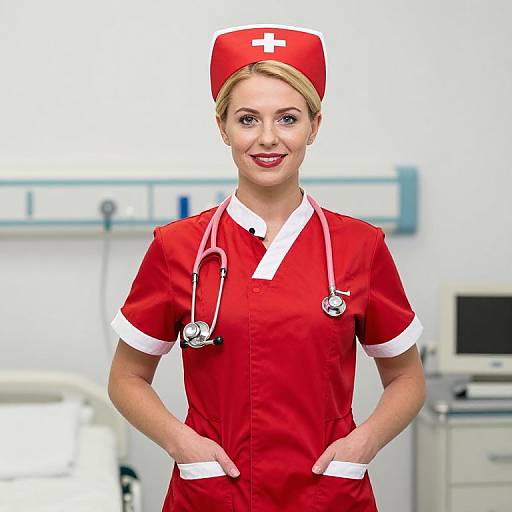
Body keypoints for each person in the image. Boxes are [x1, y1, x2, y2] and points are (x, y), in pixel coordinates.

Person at [108, 24, 427, 512]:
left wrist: (363, 445)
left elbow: (408, 378)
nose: (268, 138)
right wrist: (182, 444)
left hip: (326, 494)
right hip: (215, 494)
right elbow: (126, 377)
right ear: (223, 129)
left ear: (314, 127)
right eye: (248, 119)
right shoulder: (178, 248)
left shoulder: (360, 247)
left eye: (288, 118)